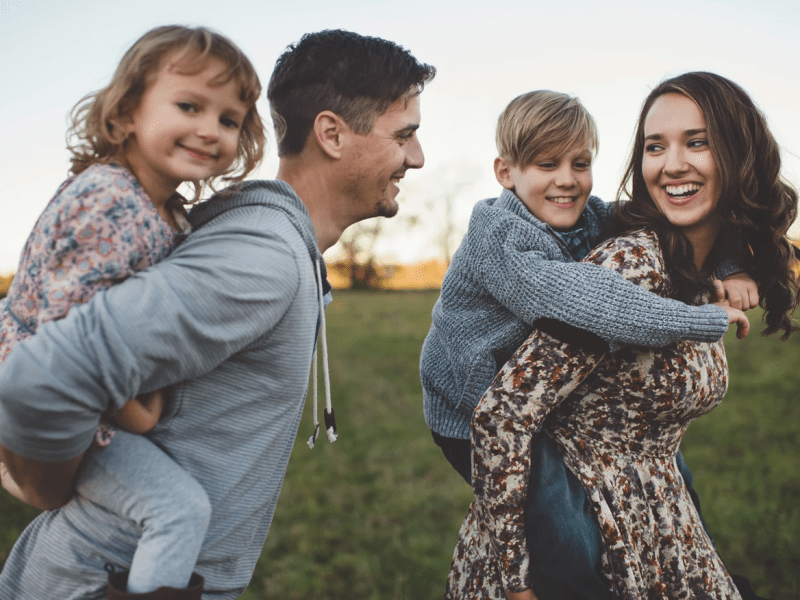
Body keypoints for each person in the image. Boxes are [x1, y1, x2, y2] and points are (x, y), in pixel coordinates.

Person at [0, 29, 435, 599]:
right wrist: (41, 484)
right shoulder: (264, 257)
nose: (418, 158)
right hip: (107, 581)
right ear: (331, 133)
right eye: (405, 136)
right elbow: (42, 374)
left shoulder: (275, 242)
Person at [446, 72, 798, 600]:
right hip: (576, 516)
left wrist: (732, 266)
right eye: (655, 146)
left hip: (659, 520)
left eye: (696, 142)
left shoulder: (687, 261)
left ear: (739, 153)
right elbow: (504, 412)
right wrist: (516, 581)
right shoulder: (623, 267)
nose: (672, 163)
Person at [0, 25, 265, 597]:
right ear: (125, 114)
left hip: (79, 404)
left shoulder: (161, 207)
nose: (209, 130)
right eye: (189, 105)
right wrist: (138, 412)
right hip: (48, 403)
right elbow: (67, 344)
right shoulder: (109, 200)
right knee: (177, 510)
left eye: (228, 119)